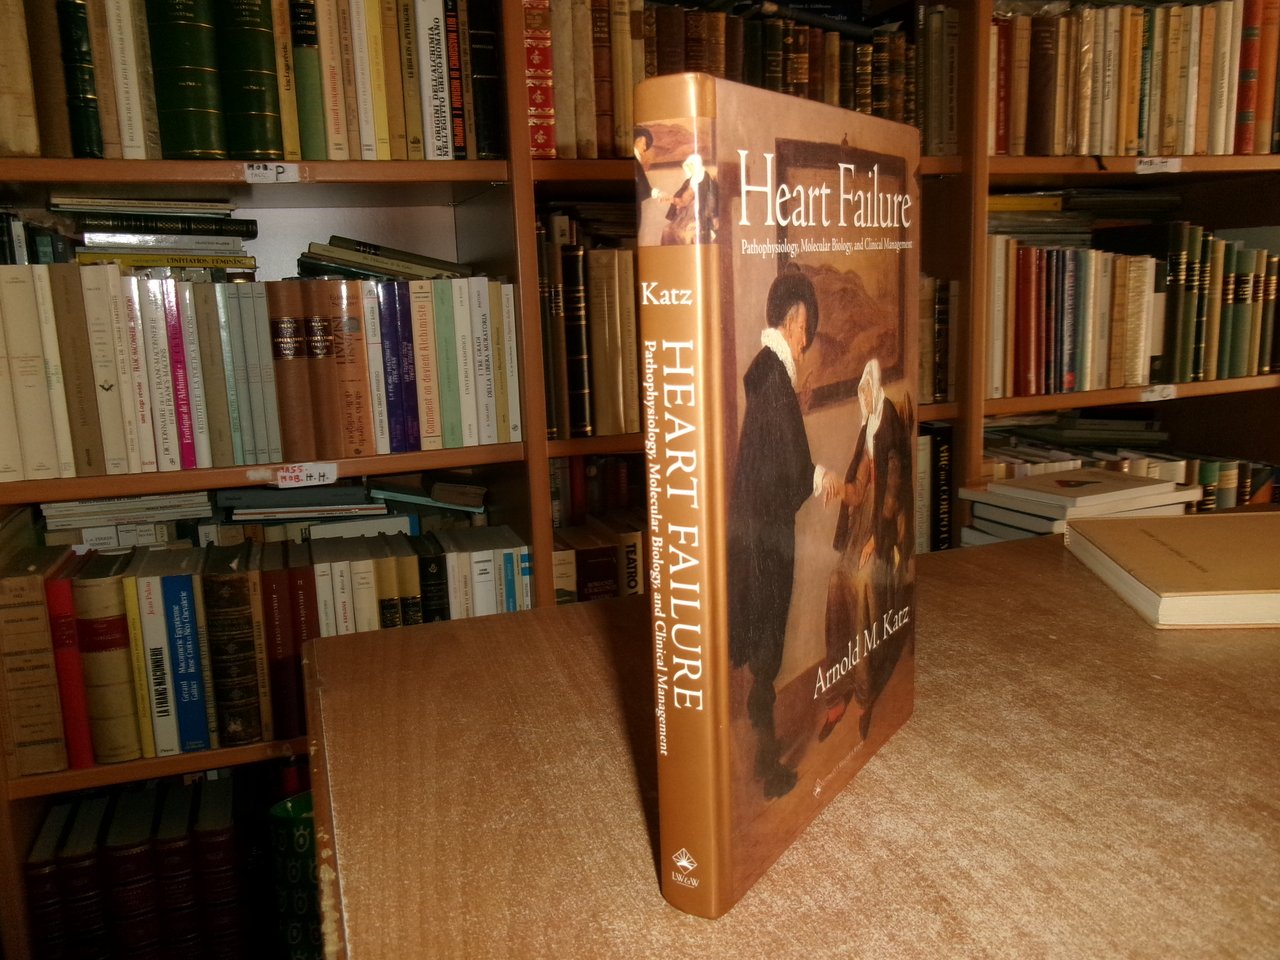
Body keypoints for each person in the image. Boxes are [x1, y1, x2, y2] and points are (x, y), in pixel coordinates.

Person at [728, 269, 839, 799]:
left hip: (753, 527)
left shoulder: (766, 372)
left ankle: (761, 744)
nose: (805, 339)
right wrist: (822, 478)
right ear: (795, 320)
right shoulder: (775, 378)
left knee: (762, 636)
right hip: (767, 535)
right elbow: (790, 468)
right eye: (805, 328)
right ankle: (766, 764)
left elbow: (776, 448)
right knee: (768, 641)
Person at [818, 357, 911, 743]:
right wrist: (838, 486)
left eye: (866, 391)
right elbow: (858, 491)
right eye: (860, 393)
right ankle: (836, 691)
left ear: (876, 388)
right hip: (861, 526)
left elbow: (892, 495)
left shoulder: (888, 427)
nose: (864, 398)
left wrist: (877, 539)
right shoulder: (867, 431)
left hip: (881, 528)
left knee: (861, 581)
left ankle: (863, 691)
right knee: (836, 581)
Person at [662, 152, 719, 245]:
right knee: (667, 230)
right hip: (686, 217)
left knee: (686, 235)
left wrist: (699, 222)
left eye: (691, 166)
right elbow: (683, 201)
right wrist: (671, 199)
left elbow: (710, 205)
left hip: (703, 218)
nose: (690, 169)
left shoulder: (707, 182)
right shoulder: (690, 181)